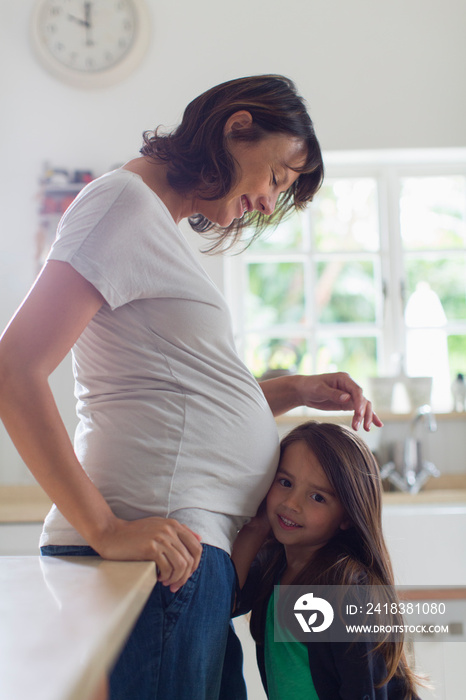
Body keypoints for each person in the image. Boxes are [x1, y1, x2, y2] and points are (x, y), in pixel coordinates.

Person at [0, 75, 381, 700]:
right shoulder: (122, 202)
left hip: (183, 560)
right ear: (237, 126)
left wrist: (294, 390)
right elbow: (14, 369)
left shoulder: (148, 221)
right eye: (278, 178)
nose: (268, 202)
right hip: (158, 552)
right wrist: (104, 528)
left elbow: (185, 397)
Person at [231, 420, 422, 700]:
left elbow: (362, 693)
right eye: (285, 483)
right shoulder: (275, 567)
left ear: (346, 516)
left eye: (317, 497)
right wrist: (257, 527)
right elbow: (224, 602)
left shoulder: (345, 590)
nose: (291, 503)